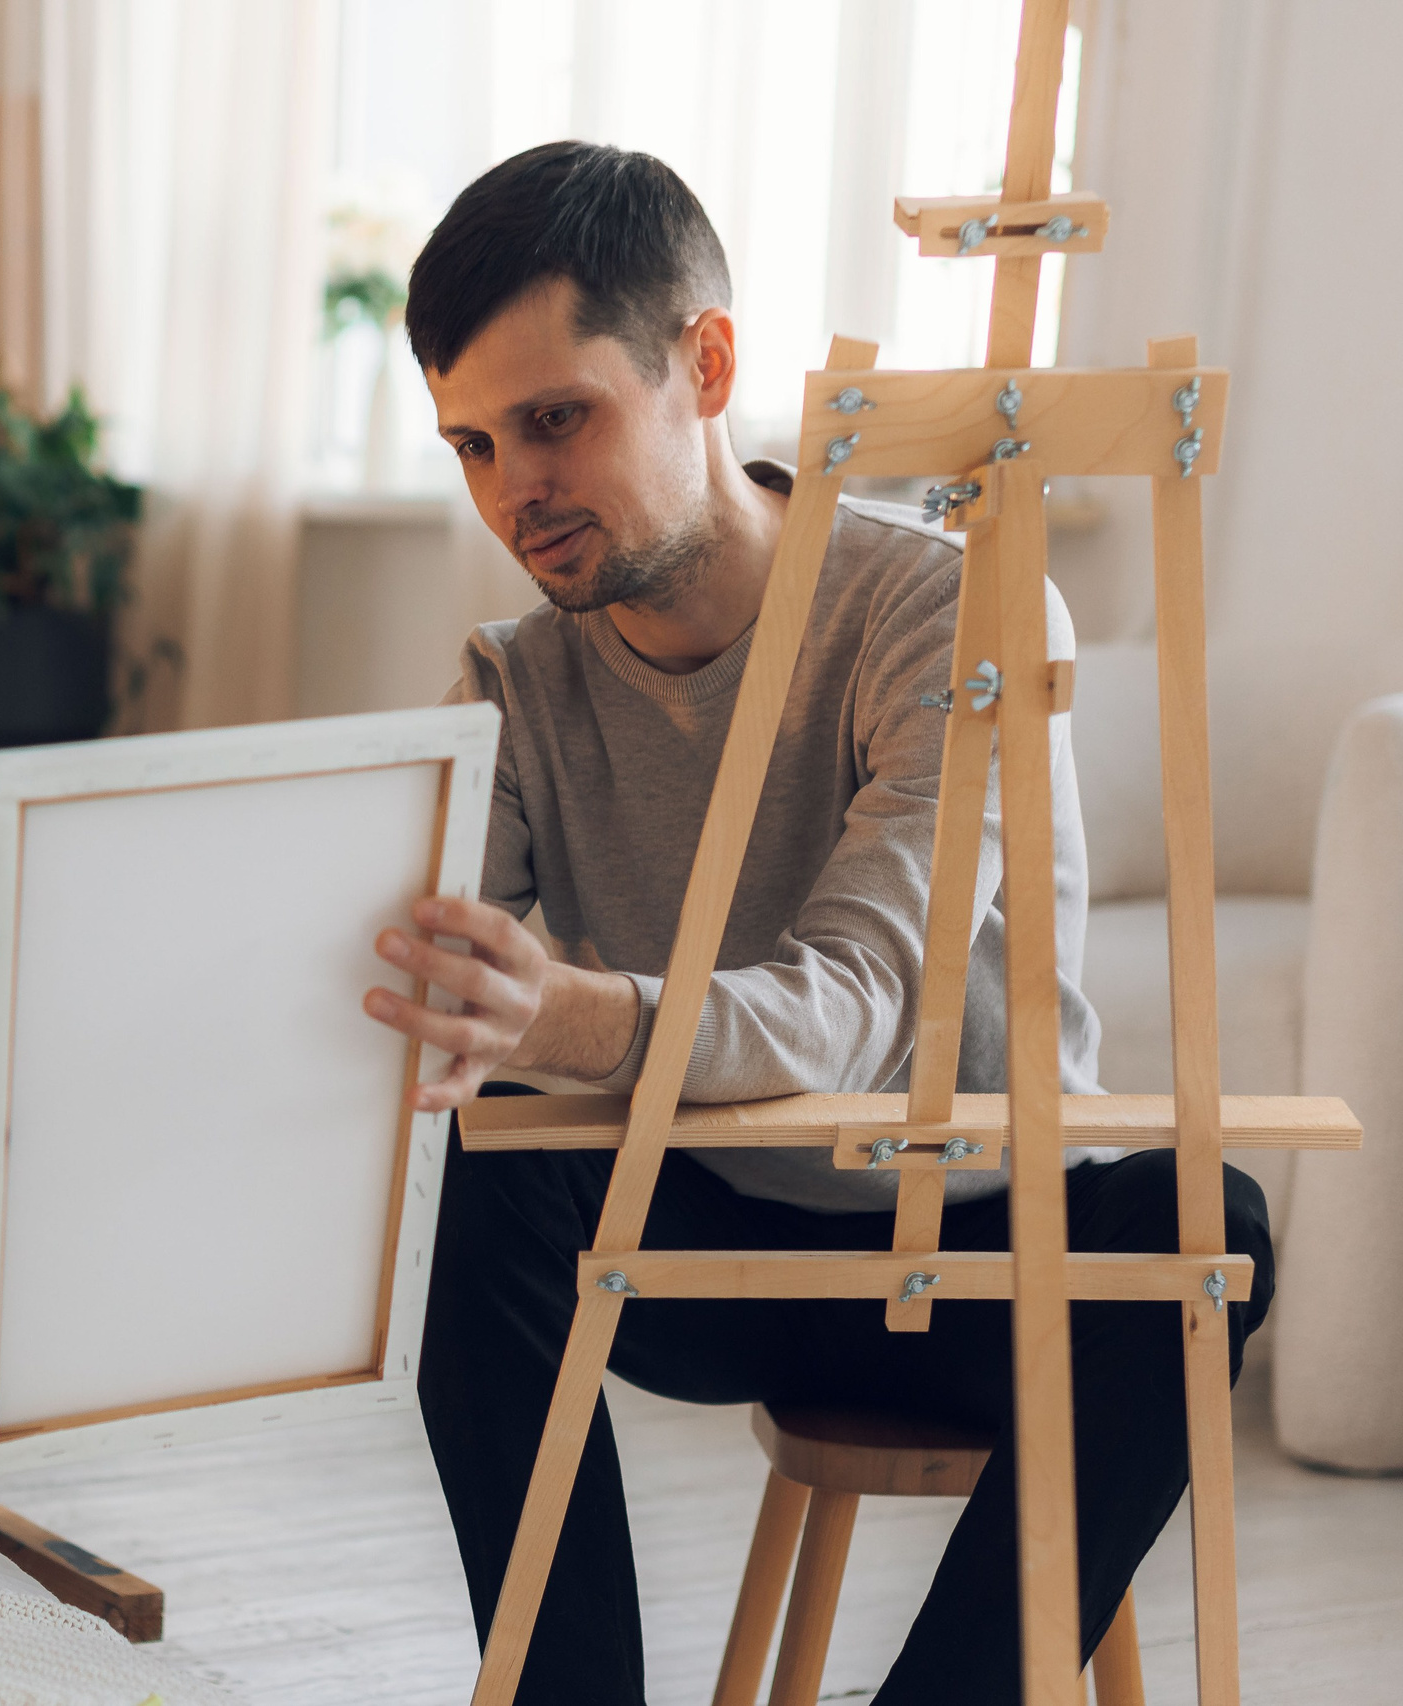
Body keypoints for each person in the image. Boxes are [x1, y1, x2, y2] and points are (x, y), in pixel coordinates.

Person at [356, 143, 1272, 1705]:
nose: (515, 488)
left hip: (980, 1245)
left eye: (556, 419)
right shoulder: (516, 681)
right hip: (705, 1242)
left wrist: (567, 1012)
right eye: (472, 442)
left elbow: (861, 996)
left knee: (1212, 1226)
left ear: (704, 364)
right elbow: (458, 1011)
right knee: (468, 1169)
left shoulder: (943, 611)